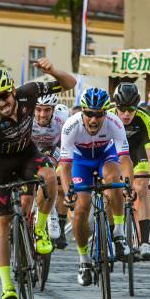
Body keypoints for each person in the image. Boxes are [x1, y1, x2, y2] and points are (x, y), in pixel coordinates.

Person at [0, 59, 75, 299]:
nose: (1, 103)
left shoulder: (29, 93)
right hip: (1, 166)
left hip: (28, 154)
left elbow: (69, 83)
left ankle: (40, 227)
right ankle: (7, 284)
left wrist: (52, 71)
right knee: (2, 223)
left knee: (50, 176)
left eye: (4, 96)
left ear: (12, 90)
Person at [59, 88, 133, 287]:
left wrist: (128, 183)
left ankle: (118, 232)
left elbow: (124, 158)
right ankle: (84, 260)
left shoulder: (114, 123)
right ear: (82, 112)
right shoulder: (70, 126)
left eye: (99, 114)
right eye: (89, 114)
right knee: (81, 207)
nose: (93, 119)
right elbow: (64, 167)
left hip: (105, 156)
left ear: (105, 113)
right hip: (80, 161)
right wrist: (68, 193)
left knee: (113, 180)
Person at [111, 83, 150, 260]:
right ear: (116, 106)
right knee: (111, 189)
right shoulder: (107, 116)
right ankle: (111, 233)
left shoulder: (143, 117)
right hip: (113, 153)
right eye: (122, 109)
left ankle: (145, 242)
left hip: (136, 151)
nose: (126, 114)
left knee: (142, 187)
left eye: (131, 109)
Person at [30, 93, 70, 249]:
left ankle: (54, 217)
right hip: (31, 151)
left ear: (53, 110)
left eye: (47, 110)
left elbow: (66, 144)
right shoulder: (27, 119)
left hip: (52, 150)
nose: (42, 114)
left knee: (54, 176)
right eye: (38, 110)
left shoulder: (62, 119)